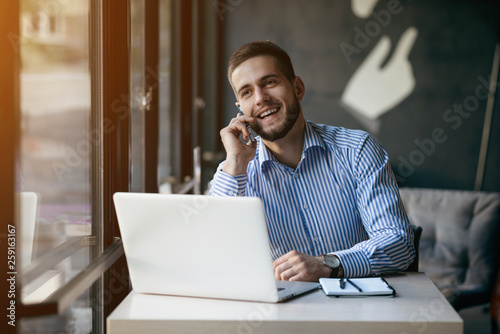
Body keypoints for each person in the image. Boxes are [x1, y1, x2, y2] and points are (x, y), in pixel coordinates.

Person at [209, 40, 415, 282]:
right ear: (241, 109)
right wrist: (234, 162)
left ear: (298, 88)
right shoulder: (236, 173)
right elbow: (214, 258)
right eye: (246, 92)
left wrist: (326, 264)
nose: (260, 98)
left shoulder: (357, 150)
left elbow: (398, 243)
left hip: (358, 306)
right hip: (280, 313)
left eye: (269, 82)